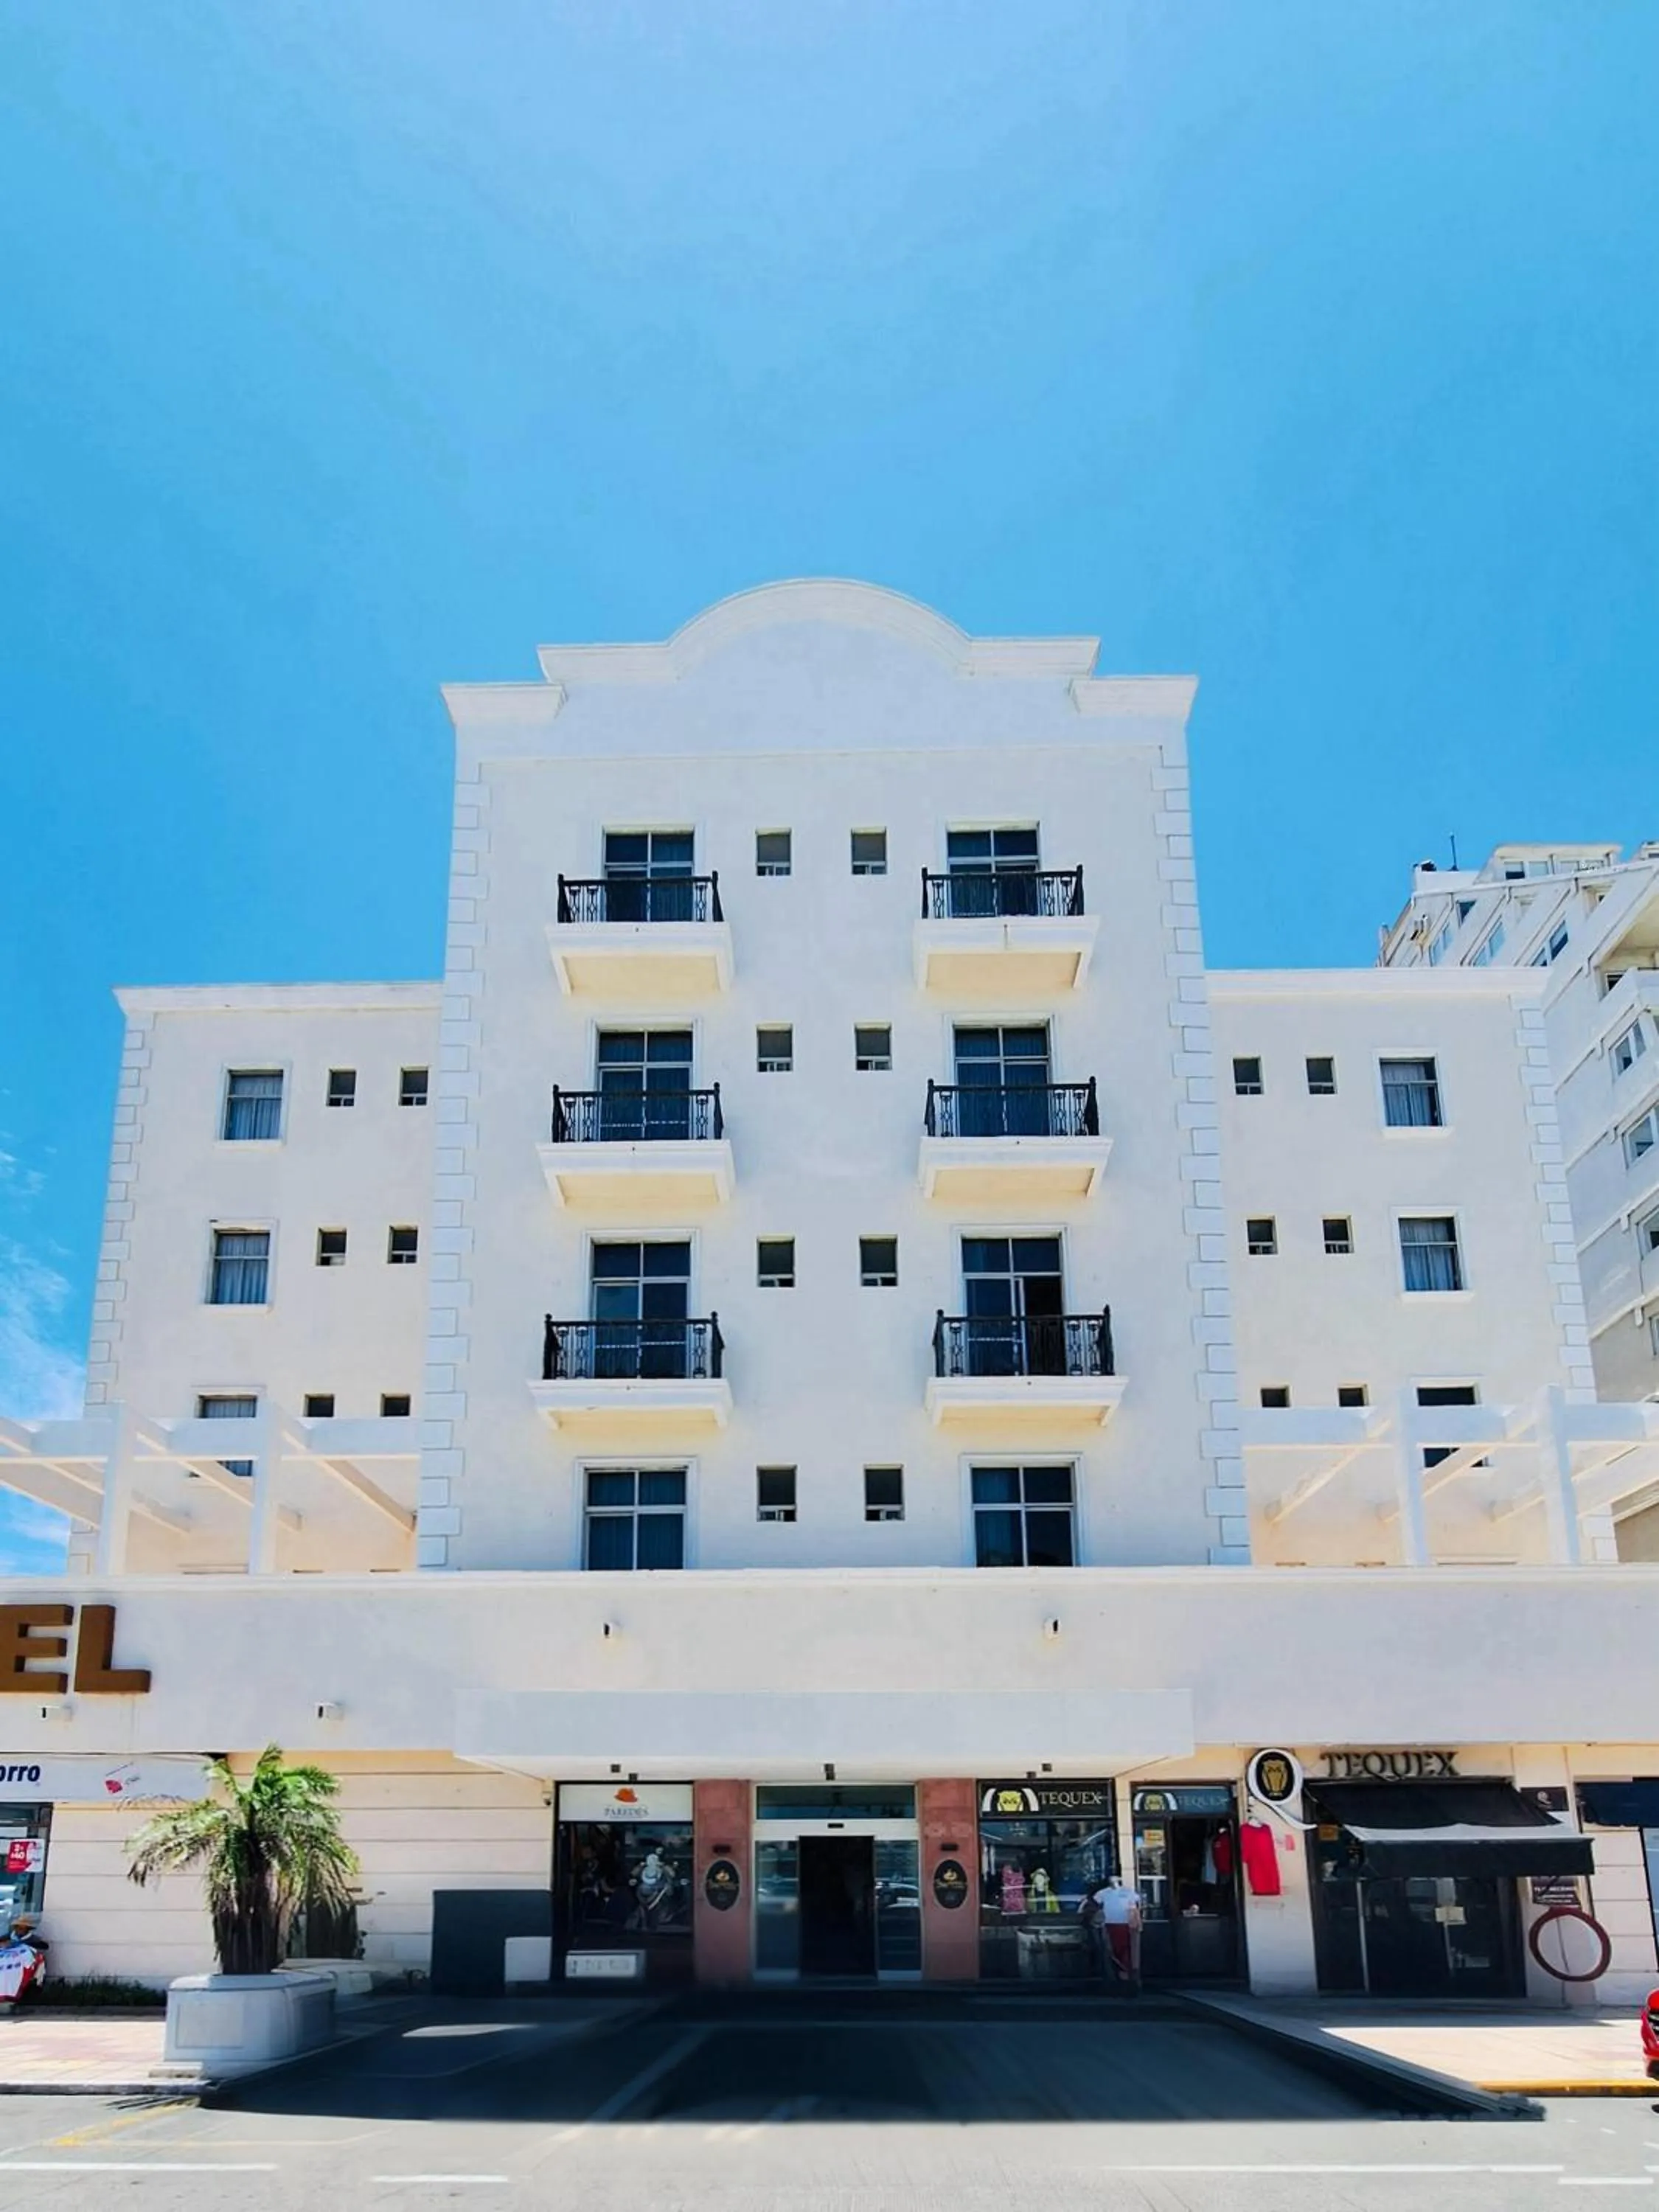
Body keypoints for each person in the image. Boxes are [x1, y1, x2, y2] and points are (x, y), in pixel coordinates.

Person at [1081, 1871, 1143, 1991]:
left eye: (1115, 1879)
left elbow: (1135, 1908)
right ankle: (1117, 1978)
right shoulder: (1103, 1893)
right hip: (1110, 1925)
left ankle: (1129, 1978)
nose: (1113, 1881)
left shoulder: (1128, 1892)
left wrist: (1137, 1923)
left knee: (1128, 1952)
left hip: (1127, 1925)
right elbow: (1092, 1904)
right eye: (1111, 1879)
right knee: (1112, 1952)